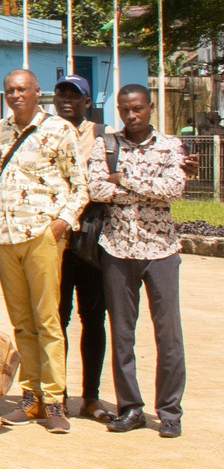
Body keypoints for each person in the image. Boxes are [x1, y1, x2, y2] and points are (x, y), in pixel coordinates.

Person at [0, 68, 87, 433]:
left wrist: (62, 222)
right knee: (22, 323)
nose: (16, 95)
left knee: (47, 320)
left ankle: (55, 400)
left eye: (22, 89)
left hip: (42, 233)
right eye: (10, 90)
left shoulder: (59, 130)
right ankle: (30, 398)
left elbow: (80, 185)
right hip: (5, 236)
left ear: (36, 92)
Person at [87, 83, 188, 438]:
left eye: (138, 109)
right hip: (117, 250)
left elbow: (174, 189)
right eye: (125, 109)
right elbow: (98, 189)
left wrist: (124, 180)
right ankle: (130, 408)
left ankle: (170, 411)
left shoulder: (171, 145)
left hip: (161, 250)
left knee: (169, 334)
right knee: (123, 334)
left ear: (150, 107)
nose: (132, 116)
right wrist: (144, 186)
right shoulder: (108, 144)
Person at [51, 75, 110, 423]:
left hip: (91, 237)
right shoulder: (47, 132)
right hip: (56, 237)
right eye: (61, 94)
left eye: (75, 95)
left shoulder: (103, 136)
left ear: (87, 102)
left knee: (93, 318)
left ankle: (91, 396)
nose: (67, 100)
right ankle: (56, 393)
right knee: (55, 319)